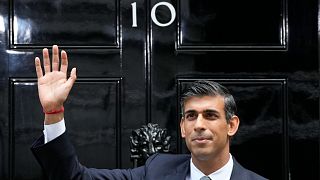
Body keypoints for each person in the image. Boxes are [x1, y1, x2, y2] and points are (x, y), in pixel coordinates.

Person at [31, 45, 268, 180]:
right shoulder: (157, 171)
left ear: (232, 125)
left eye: (210, 115)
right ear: (182, 128)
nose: (199, 124)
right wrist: (53, 112)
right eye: (191, 116)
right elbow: (73, 178)